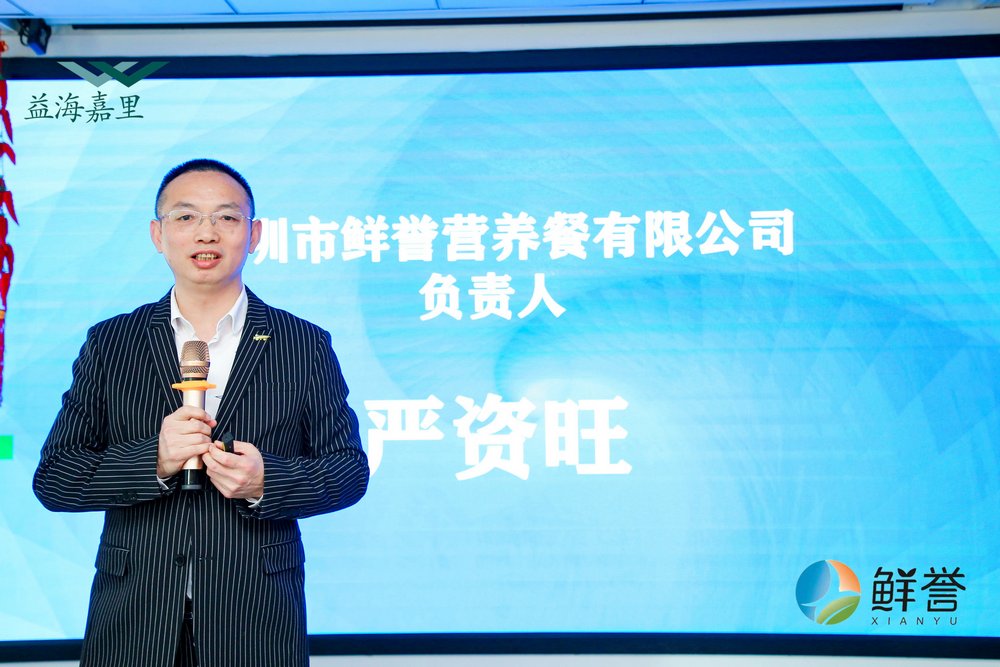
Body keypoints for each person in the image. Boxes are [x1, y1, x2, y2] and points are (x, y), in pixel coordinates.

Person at [33, 159, 369, 667]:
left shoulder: (302, 343)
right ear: (158, 234)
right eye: (186, 217)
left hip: (256, 621)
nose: (206, 233)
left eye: (227, 218)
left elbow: (348, 472)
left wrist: (266, 481)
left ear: (254, 235)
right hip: (132, 622)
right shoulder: (112, 343)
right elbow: (56, 479)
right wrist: (154, 459)